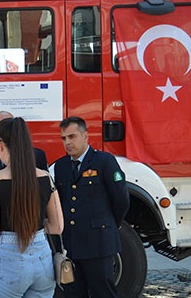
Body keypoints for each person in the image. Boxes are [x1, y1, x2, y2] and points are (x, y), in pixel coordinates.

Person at [0, 117, 63, 298]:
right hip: (43, 259)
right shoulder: (46, 177)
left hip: (9, 260)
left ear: (0, 144)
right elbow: (57, 227)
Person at [52, 116, 129, 298]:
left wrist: (111, 223)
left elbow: (121, 199)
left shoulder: (104, 161)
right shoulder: (61, 166)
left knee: (102, 292)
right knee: (73, 293)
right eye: (64, 138)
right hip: (72, 245)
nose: (68, 142)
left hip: (98, 243)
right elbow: (60, 202)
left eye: (72, 137)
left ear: (85, 136)